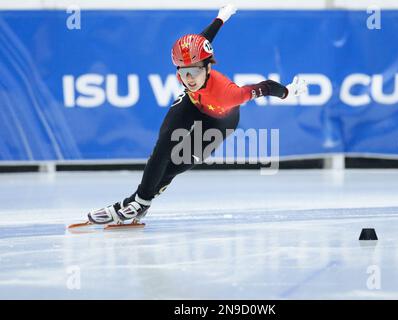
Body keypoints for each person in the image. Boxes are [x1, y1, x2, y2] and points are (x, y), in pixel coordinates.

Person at [87, 4, 303, 225]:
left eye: (195, 71)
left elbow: (265, 87)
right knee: (163, 146)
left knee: (176, 163)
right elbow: (201, 42)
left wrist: (287, 92)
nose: (189, 78)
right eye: (183, 72)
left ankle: (138, 202)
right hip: (192, 104)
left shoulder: (230, 94)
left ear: (209, 68)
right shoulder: (192, 70)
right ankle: (140, 202)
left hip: (220, 120)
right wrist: (220, 19)